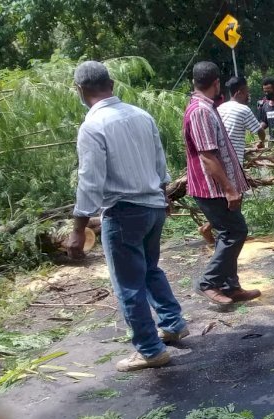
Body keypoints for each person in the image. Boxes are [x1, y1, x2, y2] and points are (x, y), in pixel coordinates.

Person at [66, 61, 187, 372]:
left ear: (81, 91)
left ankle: (150, 349)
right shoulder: (141, 115)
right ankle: (172, 323)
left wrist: (78, 228)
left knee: (128, 285)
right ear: (112, 83)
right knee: (149, 269)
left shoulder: (92, 126)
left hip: (123, 213)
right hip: (153, 207)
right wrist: (163, 197)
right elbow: (160, 161)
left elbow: (90, 179)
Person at [182, 62, 261, 306]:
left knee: (230, 232)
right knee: (235, 231)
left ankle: (231, 286)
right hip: (211, 188)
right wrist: (229, 189)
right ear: (216, 83)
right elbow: (207, 156)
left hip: (216, 186)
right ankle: (209, 282)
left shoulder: (207, 107)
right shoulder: (200, 111)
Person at [217, 76, 267, 157]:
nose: (248, 95)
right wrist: (262, 142)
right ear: (239, 93)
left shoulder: (220, 108)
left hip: (219, 158)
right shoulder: (243, 109)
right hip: (233, 160)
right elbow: (260, 131)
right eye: (247, 92)